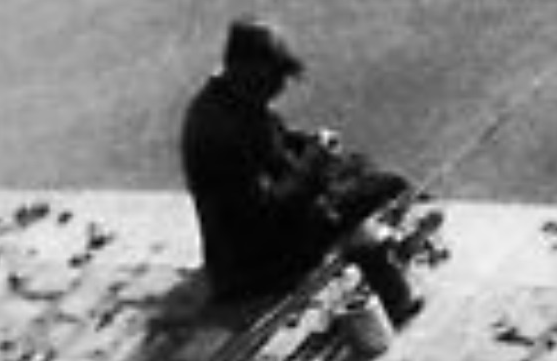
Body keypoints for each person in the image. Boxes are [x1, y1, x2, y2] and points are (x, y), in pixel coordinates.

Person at [179, 19, 425, 324]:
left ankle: (379, 250)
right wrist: (313, 163)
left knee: (358, 165)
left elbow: (275, 139)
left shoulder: (232, 99)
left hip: (263, 234)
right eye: (274, 79)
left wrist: (310, 145)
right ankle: (395, 298)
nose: (280, 87)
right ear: (248, 70)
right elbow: (267, 210)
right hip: (256, 261)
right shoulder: (220, 133)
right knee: (384, 188)